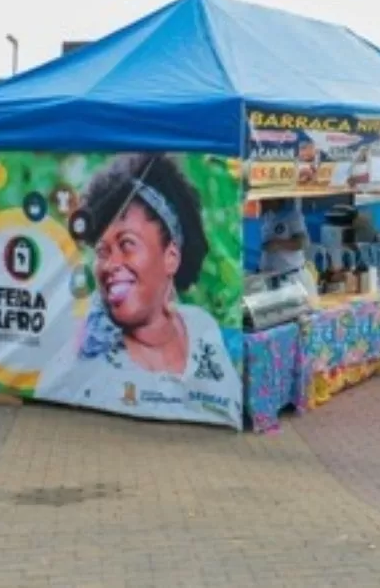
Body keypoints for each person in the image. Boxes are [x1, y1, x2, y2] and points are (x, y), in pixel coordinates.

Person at [36, 154, 240, 425]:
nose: (110, 264)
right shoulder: (81, 365)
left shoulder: (201, 328)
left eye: (127, 244)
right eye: (102, 251)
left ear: (171, 257)